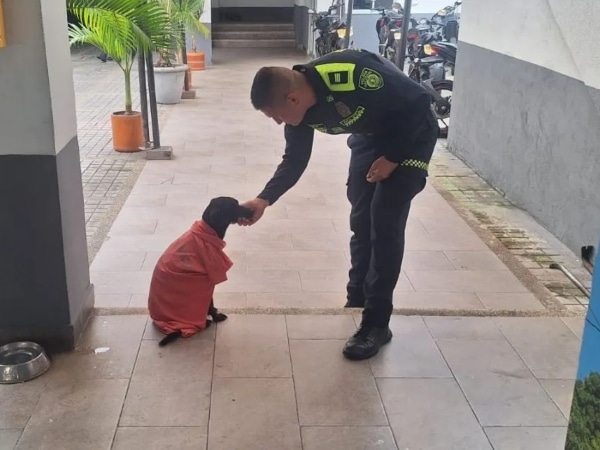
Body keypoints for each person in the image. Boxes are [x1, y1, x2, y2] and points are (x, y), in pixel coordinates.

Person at [240, 48, 438, 361]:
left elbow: (417, 101)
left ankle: (376, 324)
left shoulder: (353, 74)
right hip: (370, 136)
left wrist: (393, 158)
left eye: (275, 115)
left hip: (412, 132)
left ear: (292, 98)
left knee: (384, 221)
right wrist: (264, 199)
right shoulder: (299, 111)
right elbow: (295, 160)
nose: (278, 122)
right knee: (362, 220)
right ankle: (357, 301)